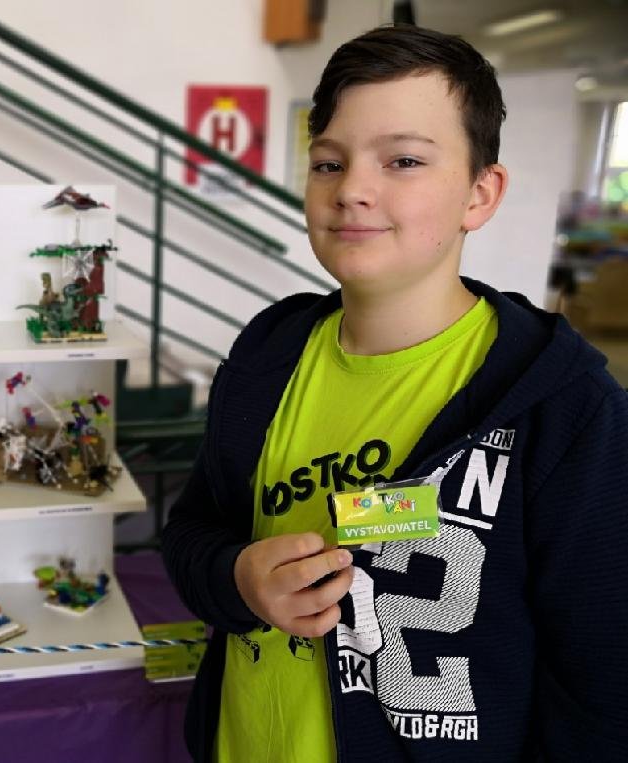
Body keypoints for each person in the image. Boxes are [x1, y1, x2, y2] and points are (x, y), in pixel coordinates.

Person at [162, 23, 628, 762]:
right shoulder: (267, 355)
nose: (351, 189)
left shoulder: (563, 408)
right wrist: (236, 577)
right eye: (328, 162)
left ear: (480, 193)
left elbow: (602, 687)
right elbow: (192, 532)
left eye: (403, 160)